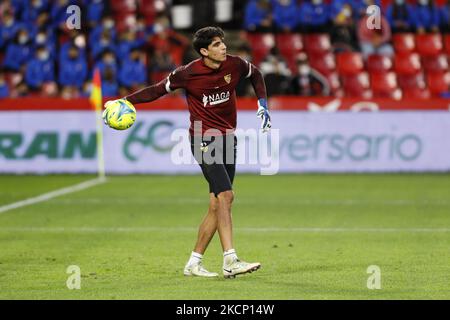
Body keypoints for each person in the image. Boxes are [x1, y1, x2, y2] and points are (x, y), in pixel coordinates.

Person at [104, 26, 271, 278]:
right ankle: (230, 259)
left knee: (218, 202)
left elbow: (256, 74)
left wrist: (263, 103)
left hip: (228, 138)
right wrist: (126, 101)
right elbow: (157, 90)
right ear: (204, 51)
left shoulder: (234, 65)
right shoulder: (187, 73)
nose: (223, 47)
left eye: (222, 42)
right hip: (202, 138)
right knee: (225, 195)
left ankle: (194, 262)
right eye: (216, 44)